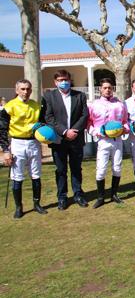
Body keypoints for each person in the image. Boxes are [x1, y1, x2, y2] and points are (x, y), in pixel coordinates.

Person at [41, 70, 89, 210]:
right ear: (55, 82)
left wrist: (74, 131)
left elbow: (84, 115)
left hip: (76, 138)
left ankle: (78, 194)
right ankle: (62, 197)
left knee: (76, 169)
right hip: (59, 139)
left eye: (66, 79)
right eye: (61, 80)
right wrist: (64, 131)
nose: (64, 82)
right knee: (61, 170)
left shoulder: (79, 95)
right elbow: (49, 117)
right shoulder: (49, 96)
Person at [0, 79, 47, 219]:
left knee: (36, 174)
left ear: (31, 90)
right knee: (17, 176)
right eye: (22, 89)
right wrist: (6, 150)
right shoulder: (9, 107)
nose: (25, 92)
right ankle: (19, 207)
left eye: (28, 89)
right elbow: (2, 129)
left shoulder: (36, 106)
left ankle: (37, 204)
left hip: (34, 143)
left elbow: (42, 124)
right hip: (17, 143)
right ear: (17, 90)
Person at [88, 78, 129, 209]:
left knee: (117, 167)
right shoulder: (94, 105)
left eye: (109, 88)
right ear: (100, 89)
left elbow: (125, 121)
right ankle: (100, 197)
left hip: (117, 141)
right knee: (101, 169)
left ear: (113, 89)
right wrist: (97, 132)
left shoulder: (119, 104)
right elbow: (89, 123)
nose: (107, 90)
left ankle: (114, 194)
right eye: (105, 88)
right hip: (103, 141)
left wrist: (125, 129)